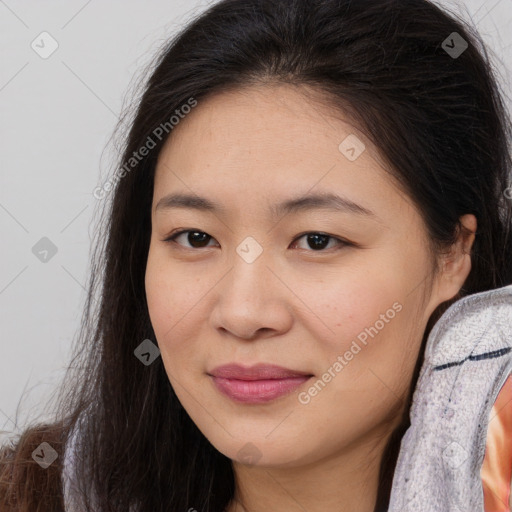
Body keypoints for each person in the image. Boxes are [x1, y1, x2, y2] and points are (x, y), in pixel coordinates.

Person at [1, 0, 511, 510]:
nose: (243, 314)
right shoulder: (32, 495)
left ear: (452, 254)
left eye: (317, 240)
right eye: (196, 238)